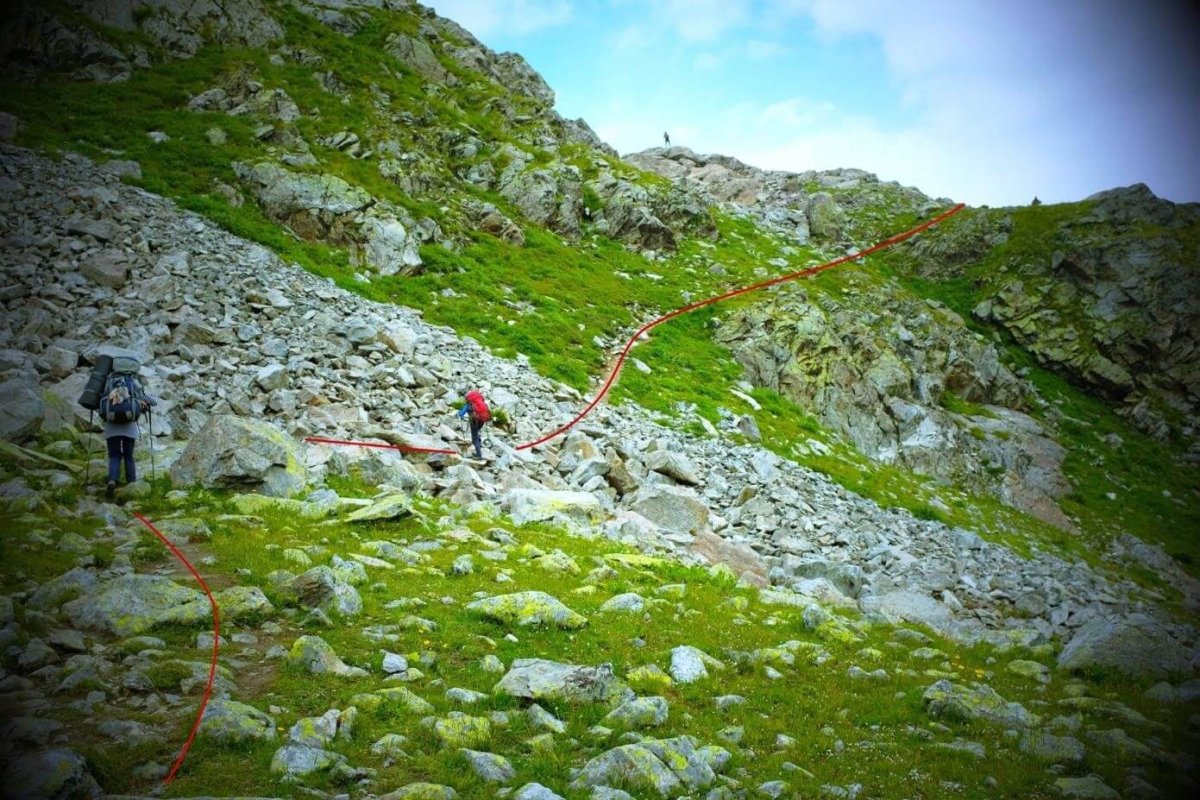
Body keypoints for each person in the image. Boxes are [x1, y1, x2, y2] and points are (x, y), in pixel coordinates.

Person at [104, 381, 158, 499]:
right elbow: (154, 402)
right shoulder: (133, 384)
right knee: (129, 456)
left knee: (114, 455)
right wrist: (142, 402)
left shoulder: (108, 382)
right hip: (129, 428)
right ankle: (131, 483)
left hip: (111, 427)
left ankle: (112, 480)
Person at [457, 388, 489, 460]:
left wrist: (459, 411)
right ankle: (479, 446)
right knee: (476, 433)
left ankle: (479, 455)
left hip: (474, 421)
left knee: (474, 438)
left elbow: (461, 414)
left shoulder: (469, 404)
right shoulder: (481, 402)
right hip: (482, 420)